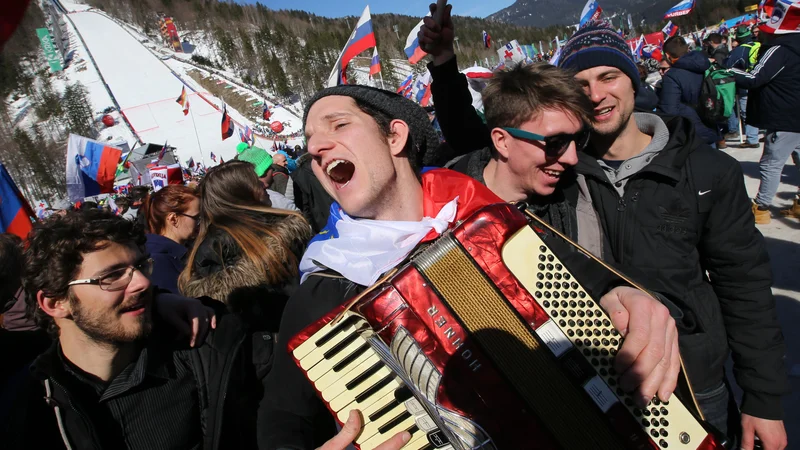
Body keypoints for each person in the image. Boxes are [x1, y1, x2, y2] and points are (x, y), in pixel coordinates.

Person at [420, 12, 788, 449]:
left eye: (609, 75)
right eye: (581, 85)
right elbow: (485, 141)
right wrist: (443, 65)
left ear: (635, 79)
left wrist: (763, 399)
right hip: (593, 382)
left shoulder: (705, 170)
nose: (596, 95)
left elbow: (744, 285)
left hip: (691, 378)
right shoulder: (565, 163)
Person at [259, 84, 682, 450]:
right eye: (311, 139)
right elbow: (282, 418)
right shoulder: (326, 284)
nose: (315, 148)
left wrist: (628, 296)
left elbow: (589, 278)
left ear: (395, 137)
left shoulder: (487, 220)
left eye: (338, 125)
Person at [1, 209, 271, 450]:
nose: (142, 282)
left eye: (141, 266)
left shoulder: (208, 347)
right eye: (112, 276)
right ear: (55, 303)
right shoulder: (26, 409)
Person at [178, 161, 310, 317]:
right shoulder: (218, 249)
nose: (265, 185)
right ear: (239, 195)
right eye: (255, 182)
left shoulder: (205, 249)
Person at [730, 1, 800, 224]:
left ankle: (761, 207)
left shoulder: (779, 50)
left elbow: (754, 78)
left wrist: (729, 71)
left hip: (783, 117)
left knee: (771, 163)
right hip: (796, 113)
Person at [659, 35, 722, 147]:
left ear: (668, 55)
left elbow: (670, 110)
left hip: (692, 132)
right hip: (711, 120)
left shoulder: (672, 76)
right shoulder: (705, 63)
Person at [141, 185, 200, 294]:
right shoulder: (158, 260)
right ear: (173, 219)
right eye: (196, 217)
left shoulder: (182, 249)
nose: (201, 222)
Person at [725, 26, 761, 149]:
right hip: (763, 80)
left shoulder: (739, 51)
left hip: (747, 84)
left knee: (747, 111)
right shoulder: (759, 45)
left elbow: (728, 67)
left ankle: (752, 139)